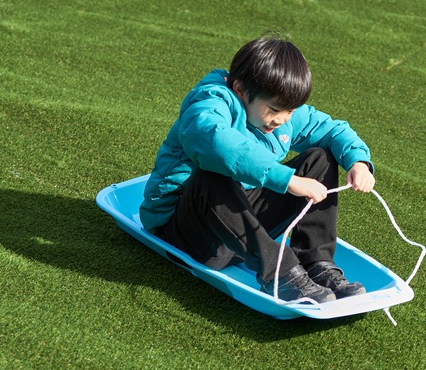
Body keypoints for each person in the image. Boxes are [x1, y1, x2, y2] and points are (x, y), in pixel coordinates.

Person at [139, 34, 376, 303]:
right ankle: (279, 272)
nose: (283, 119)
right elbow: (216, 144)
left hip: (241, 232)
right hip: (186, 233)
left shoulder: (283, 116)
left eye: (290, 110)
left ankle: (316, 263)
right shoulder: (209, 104)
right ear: (240, 89)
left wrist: (358, 162)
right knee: (212, 175)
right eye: (275, 109)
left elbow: (332, 130)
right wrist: (287, 180)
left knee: (321, 158)